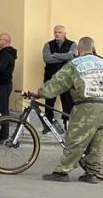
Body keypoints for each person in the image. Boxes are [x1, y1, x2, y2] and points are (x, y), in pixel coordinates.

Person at [34, 37, 103, 183]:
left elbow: (58, 82)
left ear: (78, 49)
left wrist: (41, 93)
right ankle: (91, 174)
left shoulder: (75, 64)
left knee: (76, 139)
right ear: (93, 48)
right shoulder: (102, 62)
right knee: (97, 142)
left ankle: (62, 172)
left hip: (87, 106)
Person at [42, 25, 76, 131]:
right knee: (49, 102)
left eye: (60, 32)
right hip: (50, 78)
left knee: (67, 103)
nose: (57, 34)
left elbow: (72, 56)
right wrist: (63, 57)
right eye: (55, 32)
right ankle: (47, 126)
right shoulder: (48, 45)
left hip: (66, 79)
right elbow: (47, 59)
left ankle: (67, 125)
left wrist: (55, 55)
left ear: (65, 33)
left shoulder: (72, 44)